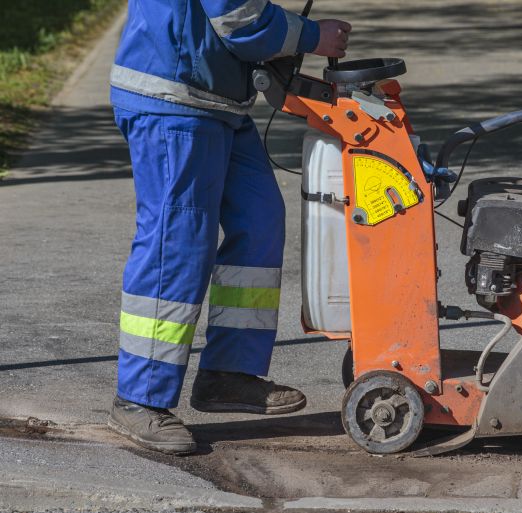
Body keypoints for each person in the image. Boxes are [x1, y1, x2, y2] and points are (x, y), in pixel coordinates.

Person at [106, 0, 351, 455]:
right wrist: (314, 36)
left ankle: (227, 373)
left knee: (259, 220)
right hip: (172, 102)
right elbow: (239, 20)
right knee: (176, 247)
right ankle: (139, 399)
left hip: (215, 101)